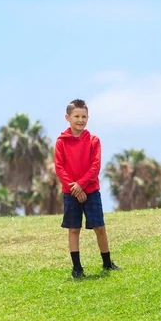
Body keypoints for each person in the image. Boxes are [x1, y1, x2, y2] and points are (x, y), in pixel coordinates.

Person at [54, 99, 122, 278]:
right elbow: (59, 167)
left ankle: (107, 263)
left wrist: (81, 185)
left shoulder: (94, 141)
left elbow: (95, 166)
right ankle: (77, 268)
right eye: (76, 116)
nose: (80, 120)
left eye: (84, 116)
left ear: (88, 118)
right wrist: (74, 188)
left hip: (91, 191)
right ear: (67, 117)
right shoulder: (61, 142)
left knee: (99, 227)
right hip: (70, 193)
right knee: (73, 229)